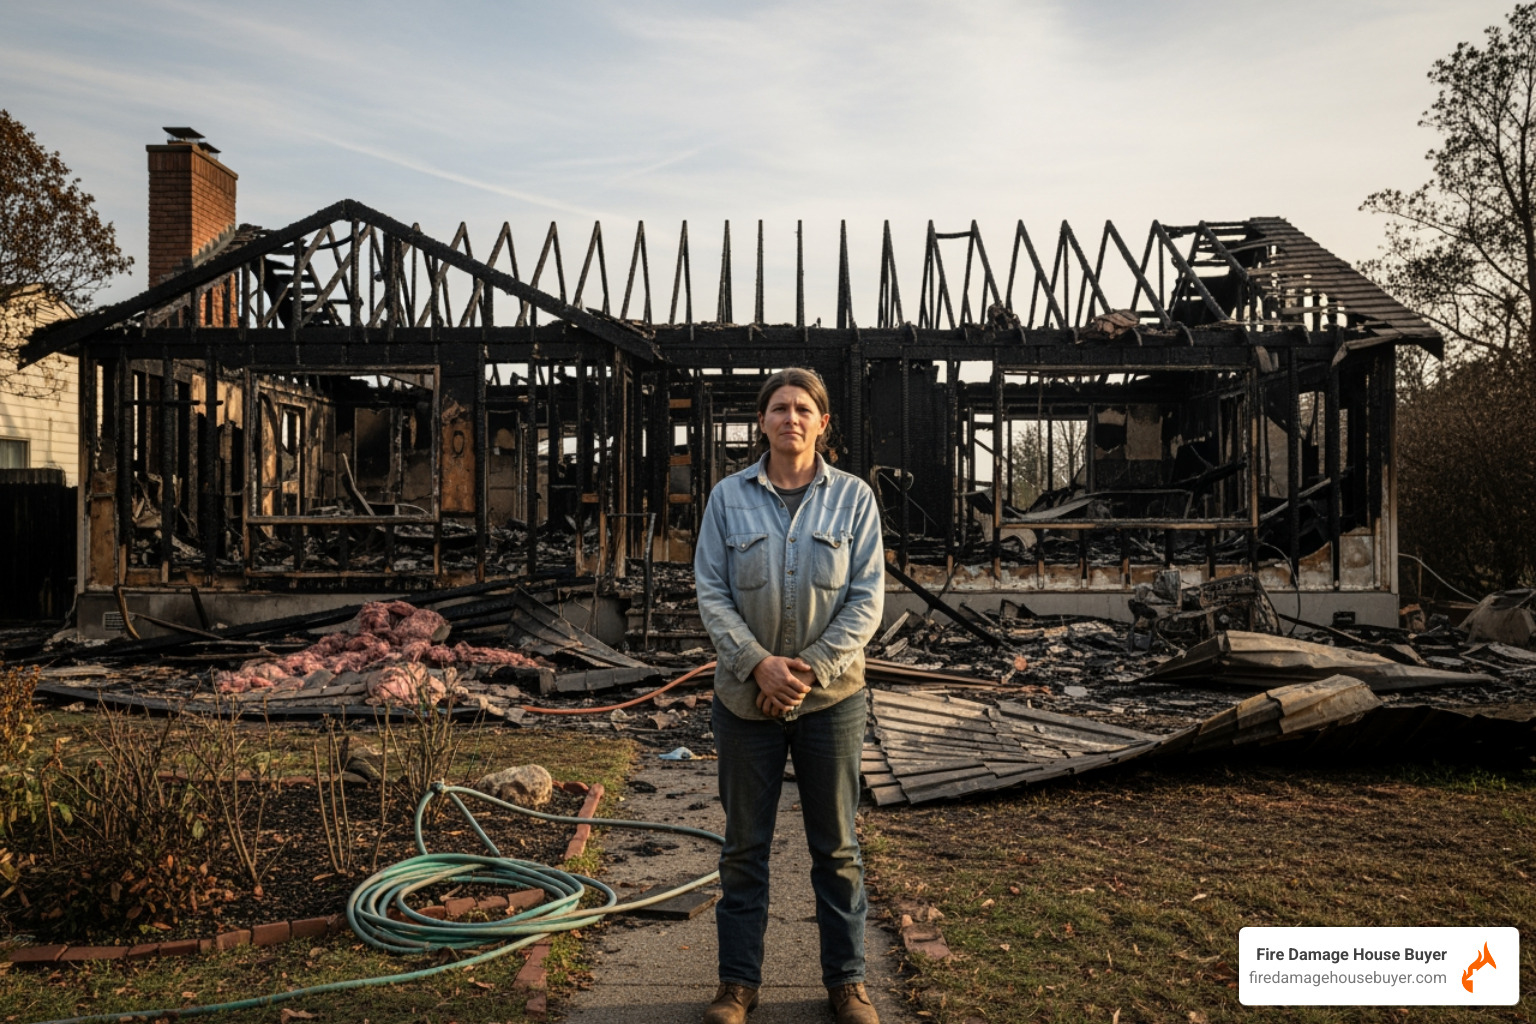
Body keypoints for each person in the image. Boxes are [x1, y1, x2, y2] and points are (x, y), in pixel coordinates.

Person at [693, 368, 885, 1024]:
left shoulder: (854, 499)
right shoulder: (728, 498)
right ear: (762, 421)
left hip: (833, 701)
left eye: (804, 409)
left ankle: (848, 983)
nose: (791, 418)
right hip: (744, 701)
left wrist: (806, 671)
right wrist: (758, 666)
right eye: (779, 408)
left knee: (837, 849)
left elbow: (867, 600)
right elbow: (712, 591)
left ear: (822, 423)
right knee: (744, 849)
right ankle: (737, 986)